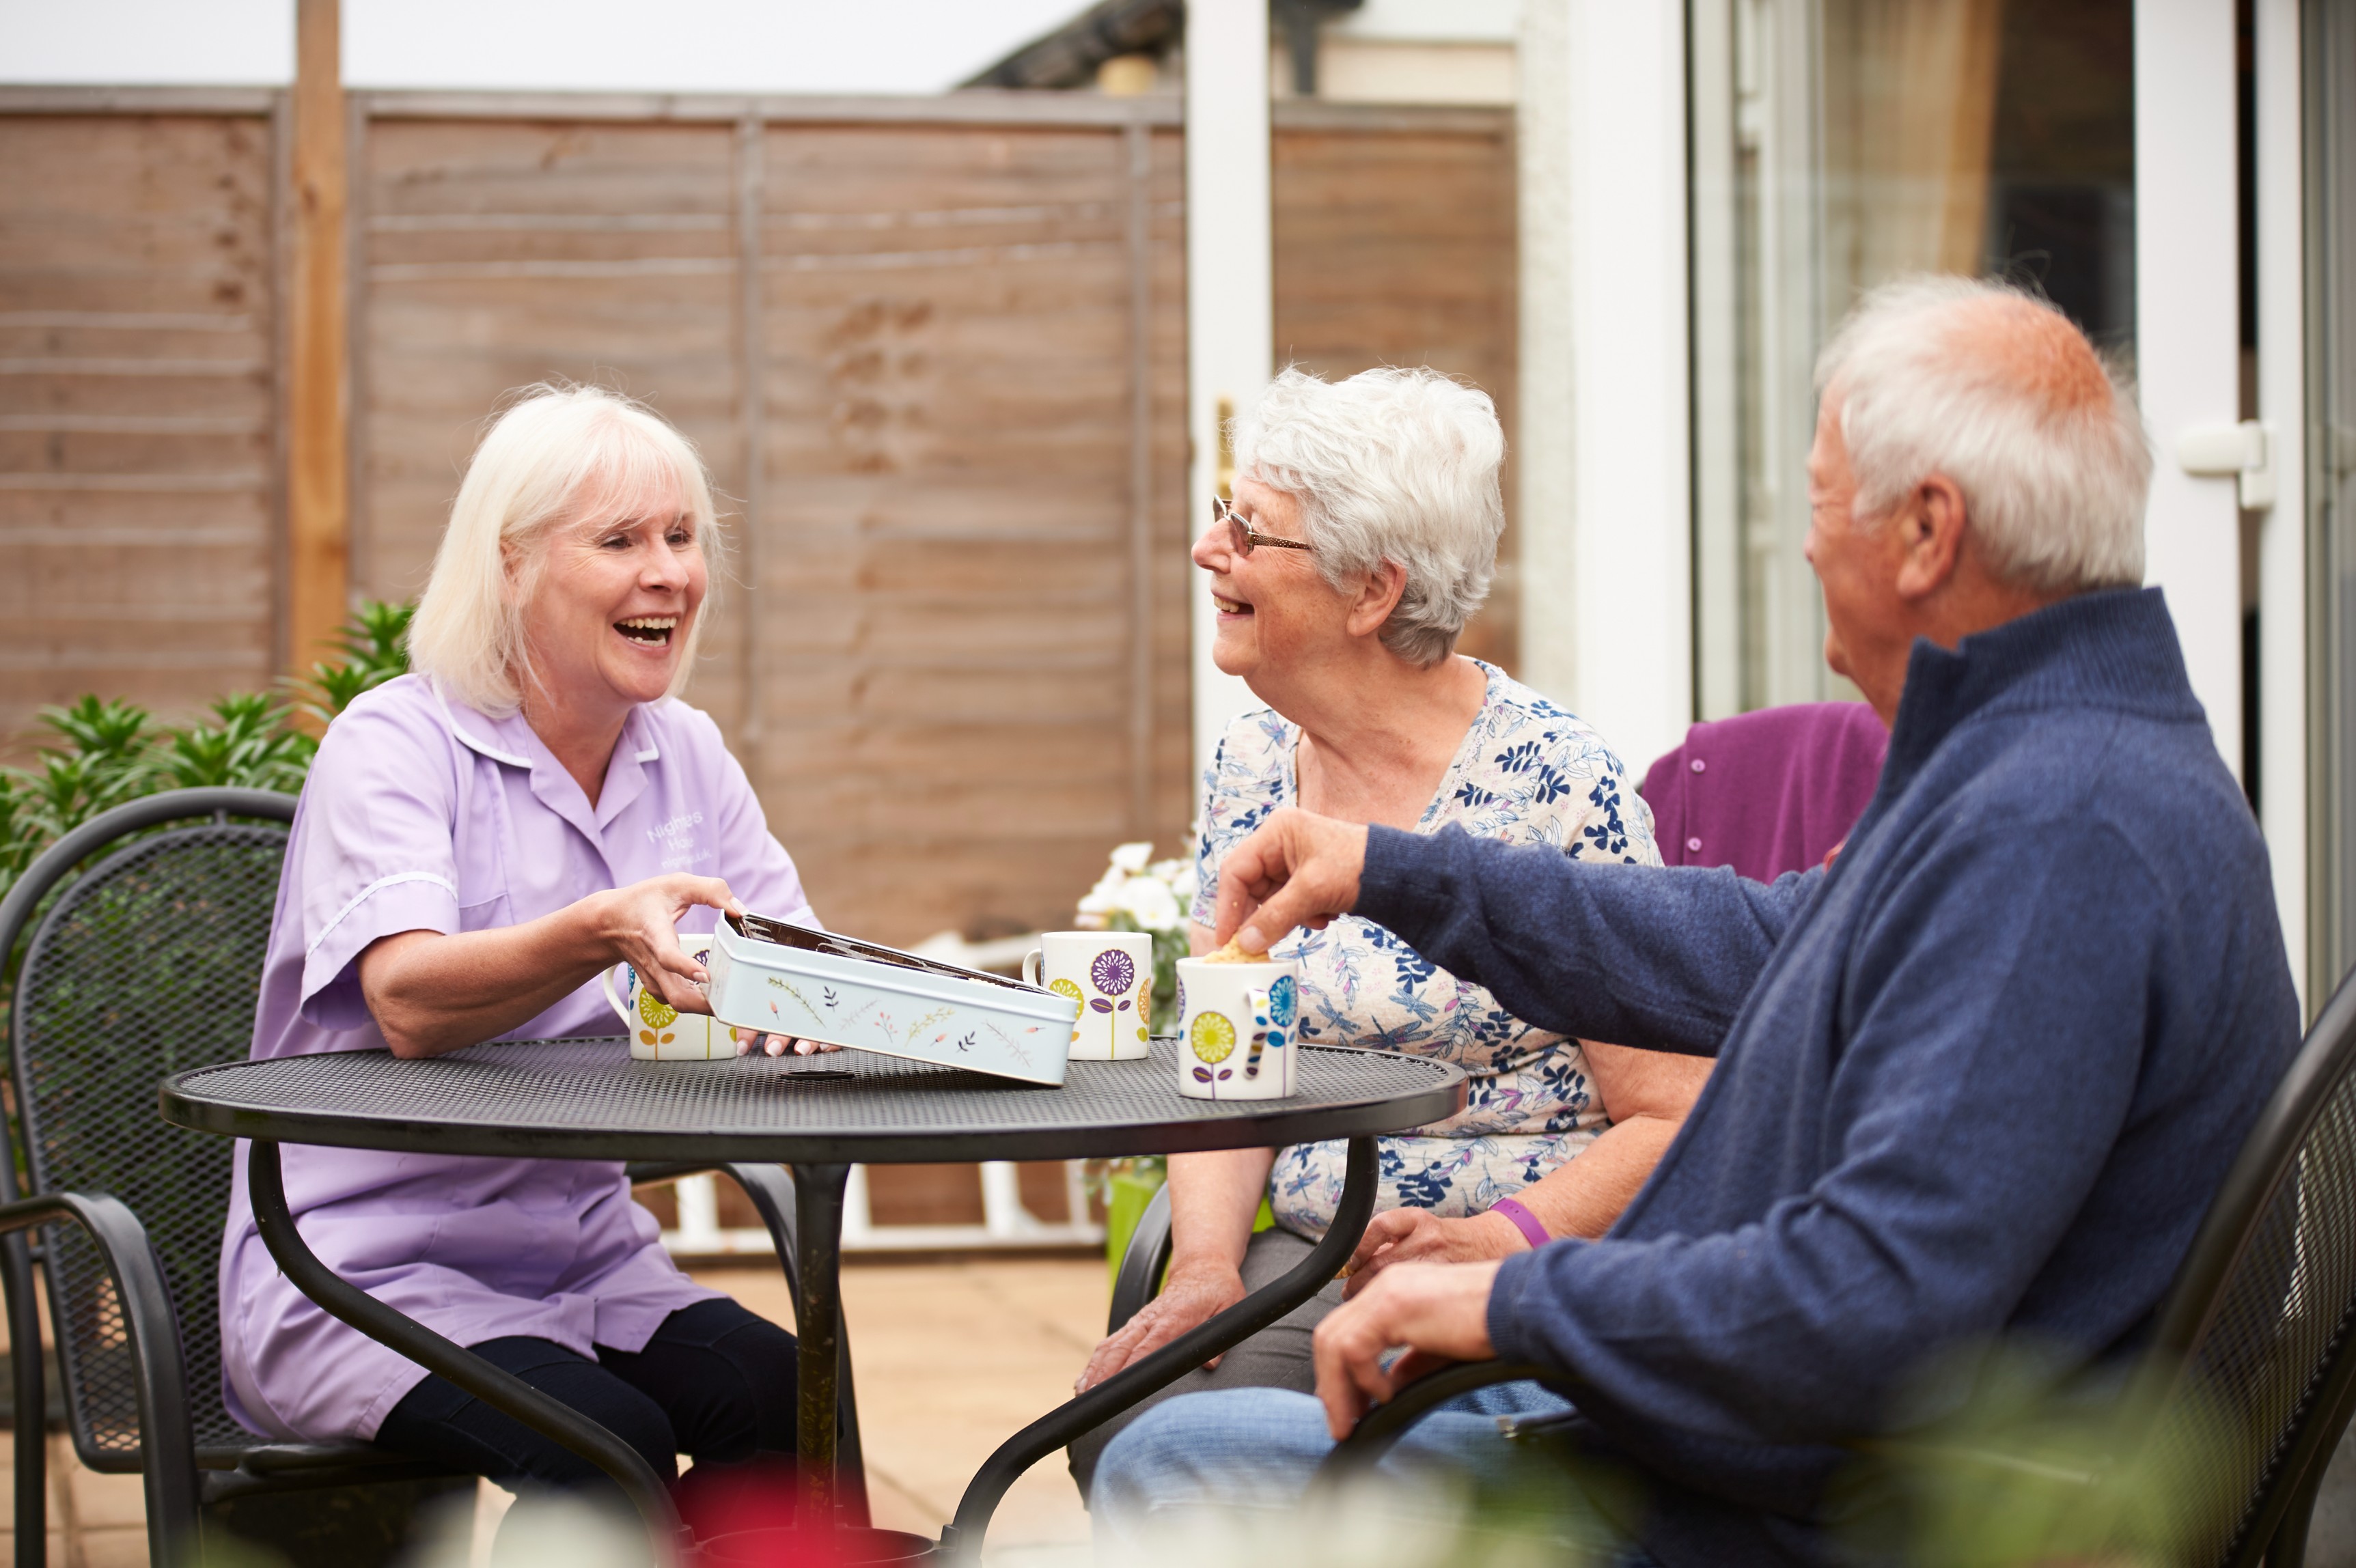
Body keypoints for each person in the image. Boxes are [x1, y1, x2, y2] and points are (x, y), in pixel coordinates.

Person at [1088, 278, 2303, 1567]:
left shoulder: (2057, 832)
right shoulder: (2045, 763)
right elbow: (1766, 944)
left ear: (1926, 533)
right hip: (1754, 1436)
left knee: (1178, 1465)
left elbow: (1869, 1297)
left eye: (1821, 500)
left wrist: (1518, 1290)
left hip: (1796, 1510)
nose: (1804, 544)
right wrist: (1394, 869)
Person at [1070, 367, 1708, 1491]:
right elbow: (1225, 1057)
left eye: (1247, 530)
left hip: (1508, 1269)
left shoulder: (1556, 785)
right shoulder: (1255, 762)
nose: (1205, 550)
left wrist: (1501, 1236)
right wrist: (1207, 1267)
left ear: (1372, 592)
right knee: (1127, 1421)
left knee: (1253, 1472)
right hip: (1311, 1253)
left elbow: (1675, 1119)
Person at [217, 385, 816, 1535]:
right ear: (511, 566)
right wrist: (596, 930)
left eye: (682, 538)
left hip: (585, 1258)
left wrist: (896, 1008)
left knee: (780, 1395)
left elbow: (787, 966)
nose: (669, 574)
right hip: (362, 1272)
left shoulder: (685, 751)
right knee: (609, 1450)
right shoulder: (394, 743)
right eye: (620, 541)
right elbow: (405, 1001)